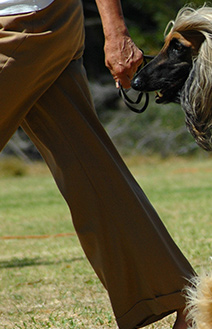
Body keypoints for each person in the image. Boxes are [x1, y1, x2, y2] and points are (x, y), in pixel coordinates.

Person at [0, 0, 194, 328]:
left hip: (24, 22)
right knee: (91, 172)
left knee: (90, 171)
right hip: (39, 21)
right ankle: (184, 296)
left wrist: (116, 31)